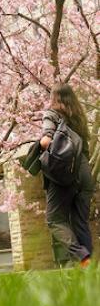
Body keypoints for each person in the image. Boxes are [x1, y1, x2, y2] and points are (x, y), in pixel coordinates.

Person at [40, 83, 95, 268]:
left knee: (54, 219)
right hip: (85, 172)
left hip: (65, 174)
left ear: (55, 98)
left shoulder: (52, 114)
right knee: (81, 222)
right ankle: (87, 271)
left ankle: (81, 257)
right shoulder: (79, 117)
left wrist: (40, 143)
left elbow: (47, 140)